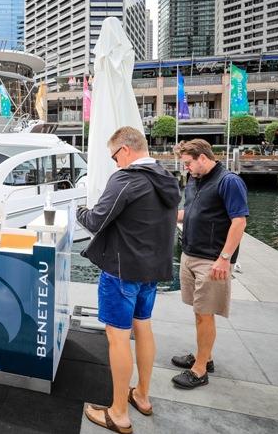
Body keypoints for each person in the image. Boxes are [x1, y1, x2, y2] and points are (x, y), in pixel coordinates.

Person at [77, 126, 181, 433]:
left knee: (117, 337)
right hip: (152, 271)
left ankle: (119, 413)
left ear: (125, 150)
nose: (114, 163)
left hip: (122, 271)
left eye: (113, 156)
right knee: (144, 329)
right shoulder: (166, 178)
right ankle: (143, 396)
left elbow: (96, 220)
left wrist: (80, 210)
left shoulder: (126, 179)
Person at [172, 139, 248, 390]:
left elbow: (239, 222)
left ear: (202, 157)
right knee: (198, 312)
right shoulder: (195, 180)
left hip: (211, 260)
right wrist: (165, 215)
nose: (186, 169)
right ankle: (206, 356)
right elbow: (189, 213)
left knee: (205, 315)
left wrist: (224, 259)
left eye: (188, 164)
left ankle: (200, 370)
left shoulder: (229, 181)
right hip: (191, 254)